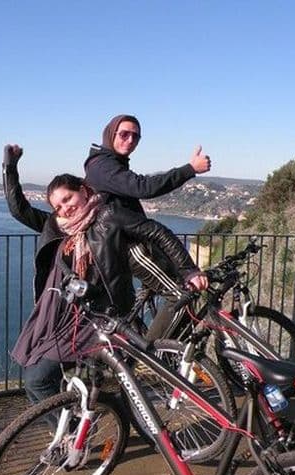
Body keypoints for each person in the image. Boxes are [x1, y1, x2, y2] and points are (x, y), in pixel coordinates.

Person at [3, 144, 204, 404]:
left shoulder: (108, 216)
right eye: (58, 206)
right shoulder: (59, 226)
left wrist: (188, 270)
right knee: (38, 380)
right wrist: (10, 167)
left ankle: (94, 423)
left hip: (102, 316)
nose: (65, 208)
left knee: (39, 380)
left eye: (68, 199)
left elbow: (157, 232)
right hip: (68, 316)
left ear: (84, 190)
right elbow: (19, 210)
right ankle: (90, 423)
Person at [84, 114, 212, 339]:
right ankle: (151, 355)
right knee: (180, 294)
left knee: (177, 292)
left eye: (135, 137)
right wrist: (190, 169)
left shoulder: (111, 163)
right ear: (111, 134)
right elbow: (143, 187)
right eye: (124, 134)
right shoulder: (103, 166)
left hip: (131, 241)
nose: (130, 140)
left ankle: (161, 347)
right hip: (126, 245)